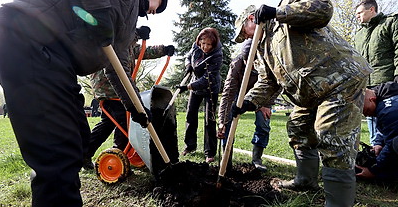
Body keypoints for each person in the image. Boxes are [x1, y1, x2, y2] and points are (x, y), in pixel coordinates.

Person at [0, 0, 168, 207]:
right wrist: (98, 10)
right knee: (57, 147)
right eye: (157, 8)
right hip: (29, 37)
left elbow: (118, 69)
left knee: (77, 137)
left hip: (56, 60)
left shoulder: (126, 17)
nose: (152, 14)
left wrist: (137, 111)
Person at [232, 0, 373, 207]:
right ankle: (306, 180)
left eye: (244, 32)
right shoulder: (262, 49)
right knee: (297, 127)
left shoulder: (284, 11)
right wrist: (248, 103)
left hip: (339, 78)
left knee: (331, 134)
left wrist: (278, 13)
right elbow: (268, 83)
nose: (246, 38)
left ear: (250, 19)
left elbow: (323, 8)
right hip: (309, 92)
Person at [83, 26, 175, 169]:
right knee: (125, 122)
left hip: (117, 89)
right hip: (110, 87)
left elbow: (143, 51)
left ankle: (85, 154)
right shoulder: (118, 35)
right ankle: (119, 156)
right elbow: (113, 42)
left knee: (108, 123)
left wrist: (164, 49)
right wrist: (136, 33)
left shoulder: (129, 44)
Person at [217, 36, 274, 172]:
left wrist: (265, 104)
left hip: (262, 95)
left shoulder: (268, 63)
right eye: (247, 60)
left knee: (263, 123)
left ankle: (257, 159)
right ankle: (226, 160)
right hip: (239, 93)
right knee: (228, 122)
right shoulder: (236, 65)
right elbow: (228, 94)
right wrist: (222, 121)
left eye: (254, 61)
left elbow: (276, 85)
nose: (251, 65)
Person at [354, 0, 398, 149]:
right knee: (373, 123)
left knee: (391, 124)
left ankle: (389, 158)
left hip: (388, 84)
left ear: (371, 9)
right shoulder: (358, 35)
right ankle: (376, 154)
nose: (357, 17)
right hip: (367, 85)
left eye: (359, 13)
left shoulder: (390, 23)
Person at [177, 27, 223, 163]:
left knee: (210, 120)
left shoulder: (217, 55)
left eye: (209, 44)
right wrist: (188, 66)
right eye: (203, 43)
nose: (205, 47)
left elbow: (207, 79)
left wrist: (188, 87)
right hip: (195, 86)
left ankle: (210, 152)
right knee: (190, 115)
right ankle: (190, 146)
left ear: (214, 44)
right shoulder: (196, 46)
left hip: (210, 88)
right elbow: (189, 56)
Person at [356, 82, 398, 181]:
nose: (366, 116)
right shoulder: (385, 96)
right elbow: (385, 127)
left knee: (396, 143)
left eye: (366, 111)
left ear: (372, 100)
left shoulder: (389, 111)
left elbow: (391, 145)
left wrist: (373, 170)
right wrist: (378, 143)